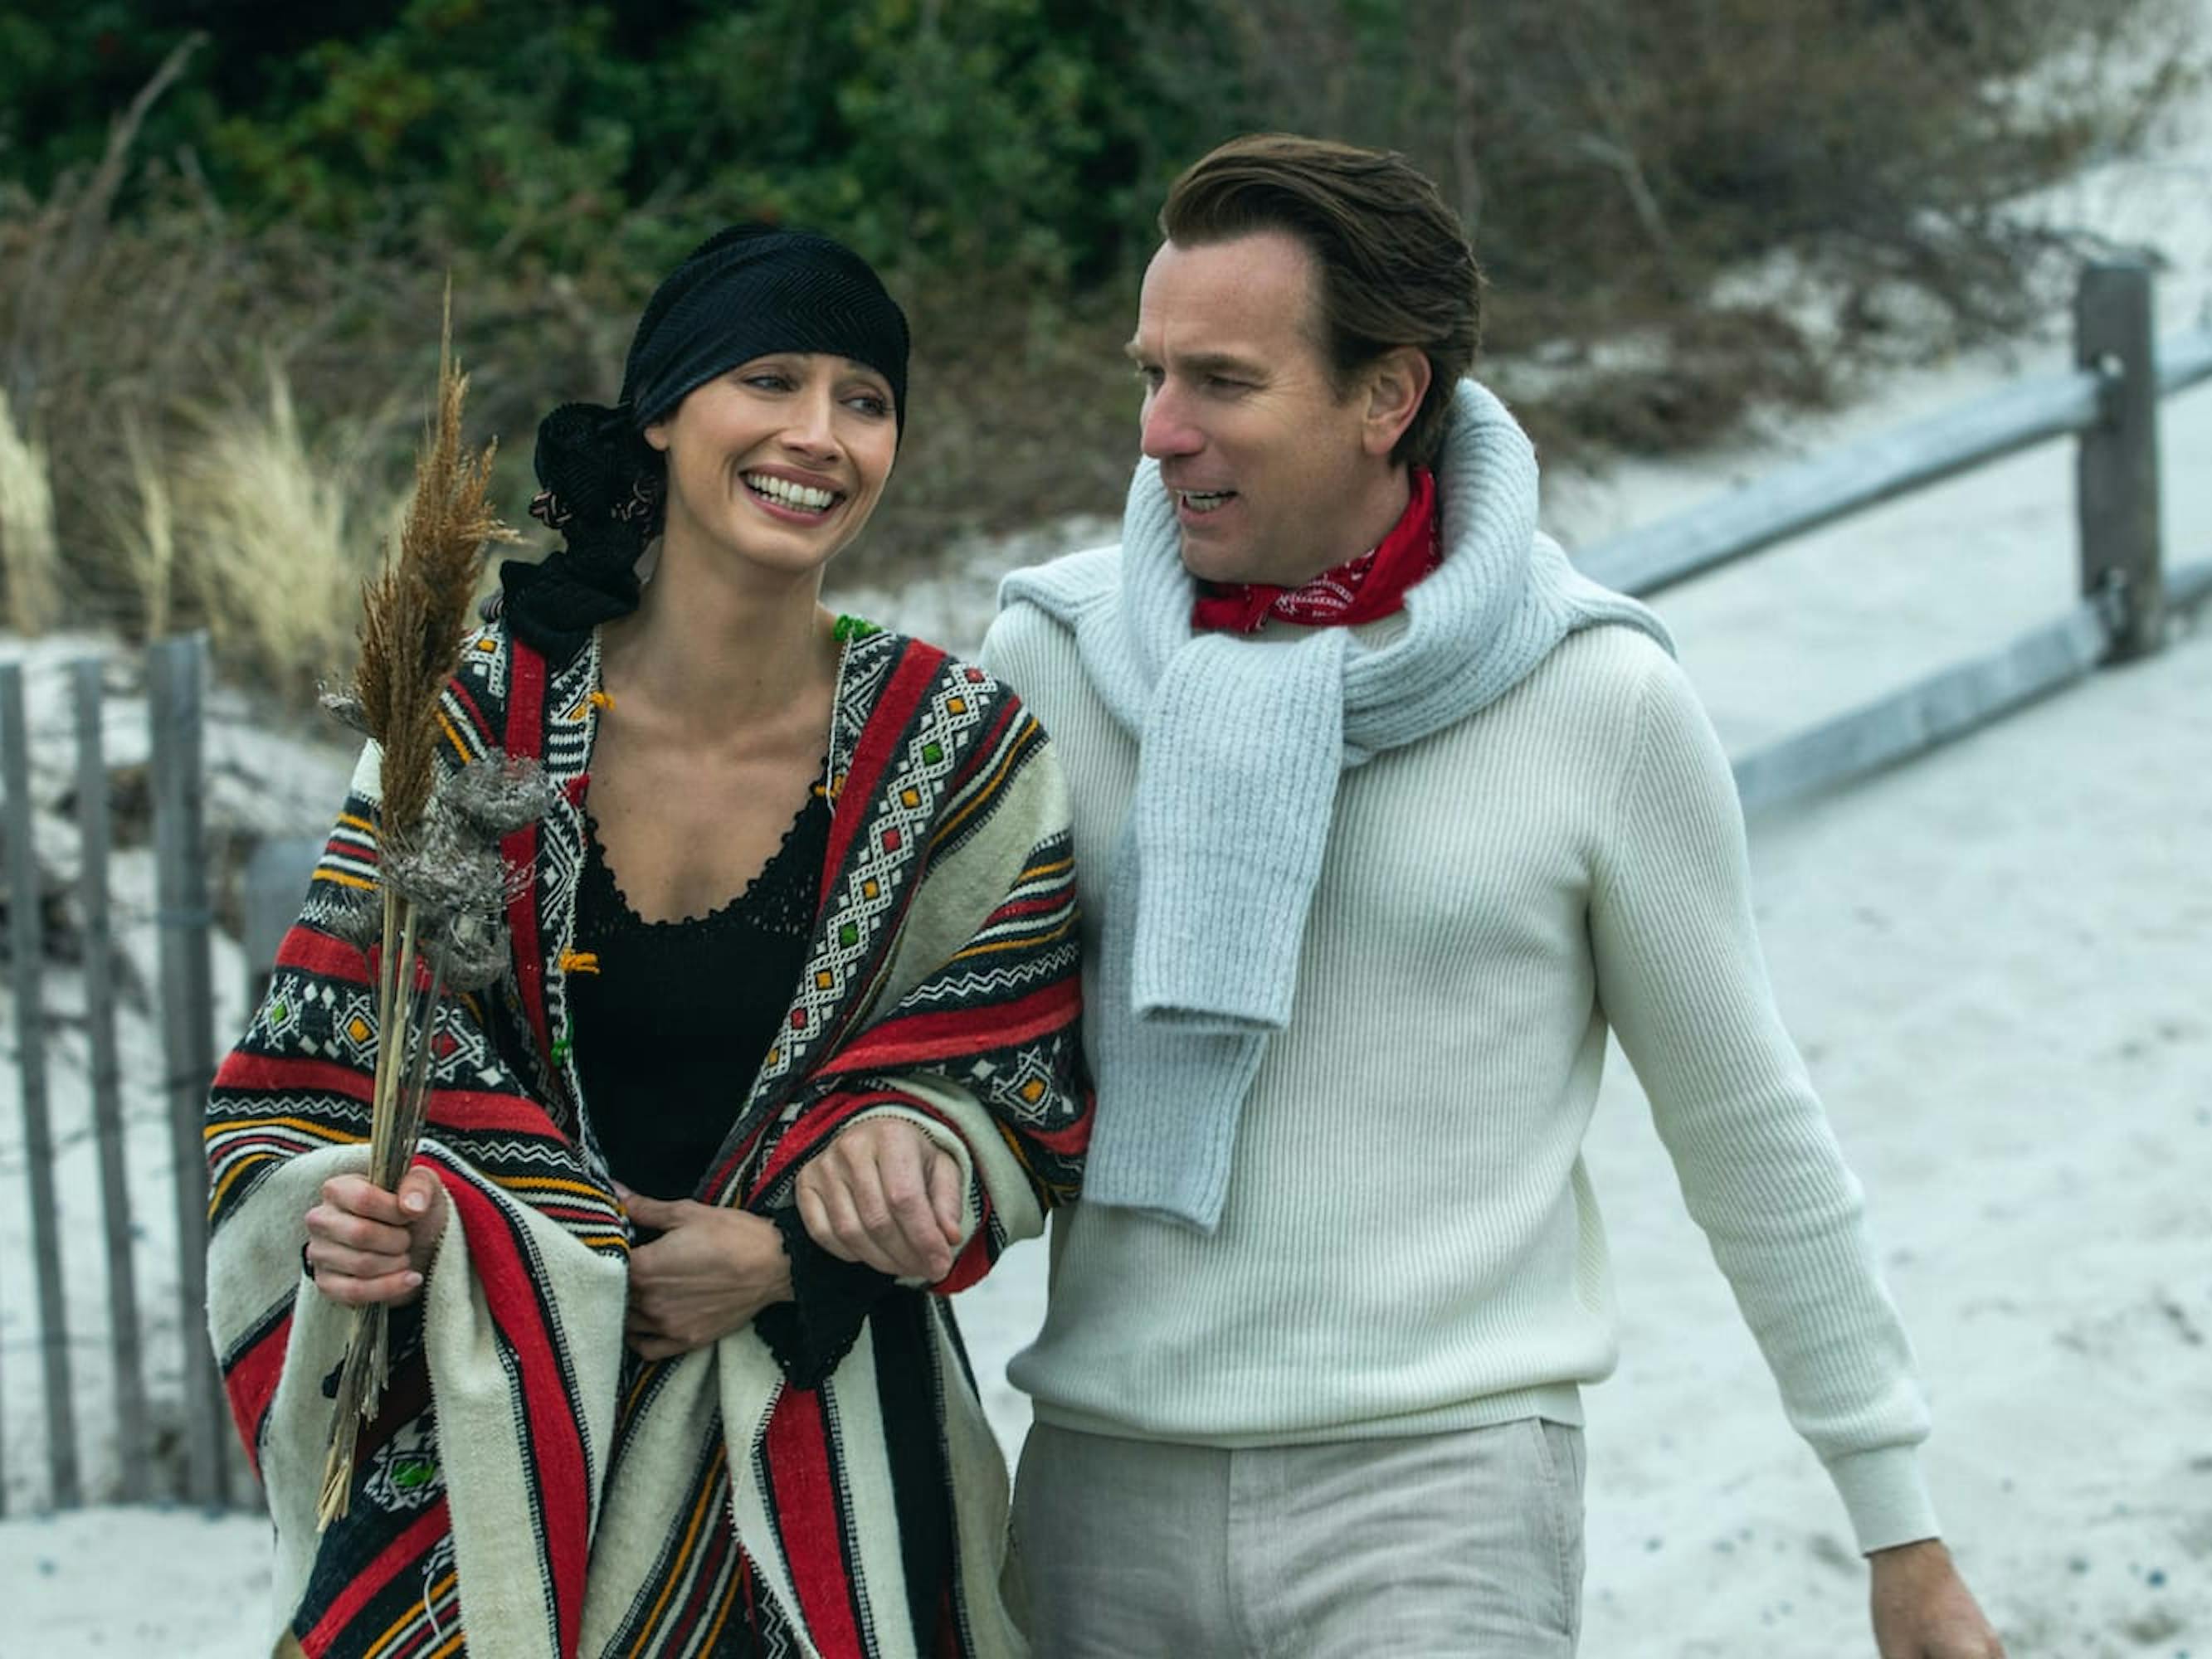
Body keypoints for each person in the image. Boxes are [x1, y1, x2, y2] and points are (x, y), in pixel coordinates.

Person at [980, 134, 2005, 1657]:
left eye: (1223, 383)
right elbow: (930, 1054)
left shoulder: (1595, 697)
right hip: (1096, 1484)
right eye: (1150, 374)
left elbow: (1744, 1124)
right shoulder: (1054, 661)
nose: (1159, 433)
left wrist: (1895, 1523)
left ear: (1388, 396)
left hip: (1441, 1494)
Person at [205, 225, 1090, 1659]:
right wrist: (366, 1220)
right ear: (665, 411)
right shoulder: (470, 728)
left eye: (865, 400)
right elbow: (309, 1078)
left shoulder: (959, 749)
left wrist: (789, 1250)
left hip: (824, 1475)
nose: (819, 435)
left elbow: (1020, 1092)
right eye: (770, 380)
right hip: (492, 1482)